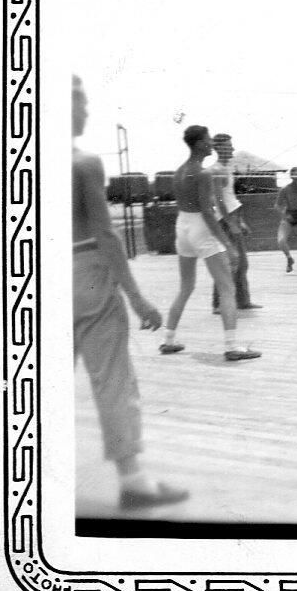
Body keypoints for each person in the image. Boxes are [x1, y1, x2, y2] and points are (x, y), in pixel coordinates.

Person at [71, 75, 189, 509]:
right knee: (113, 379)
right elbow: (105, 233)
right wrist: (137, 298)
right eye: (79, 102)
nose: (86, 110)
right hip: (86, 272)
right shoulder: (82, 163)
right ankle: (134, 481)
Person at [160, 125, 261, 361]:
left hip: (182, 227)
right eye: (208, 140)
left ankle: (168, 341)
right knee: (227, 287)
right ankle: (231, 347)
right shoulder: (204, 174)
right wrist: (227, 244)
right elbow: (207, 212)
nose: (211, 144)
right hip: (200, 228)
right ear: (198, 144)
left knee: (186, 287)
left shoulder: (179, 172)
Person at [210, 133, 261, 314]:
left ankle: (242, 301)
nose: (232, 148)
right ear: (219, 148)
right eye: (228, 146)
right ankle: (218, 304)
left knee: (242, 263)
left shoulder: (227, 168)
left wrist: (241, 221)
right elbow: (218, 200)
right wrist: (230, 222)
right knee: (228, 263)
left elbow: (230, 197)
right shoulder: (216, 170)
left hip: (234, 217)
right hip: (225, 220)